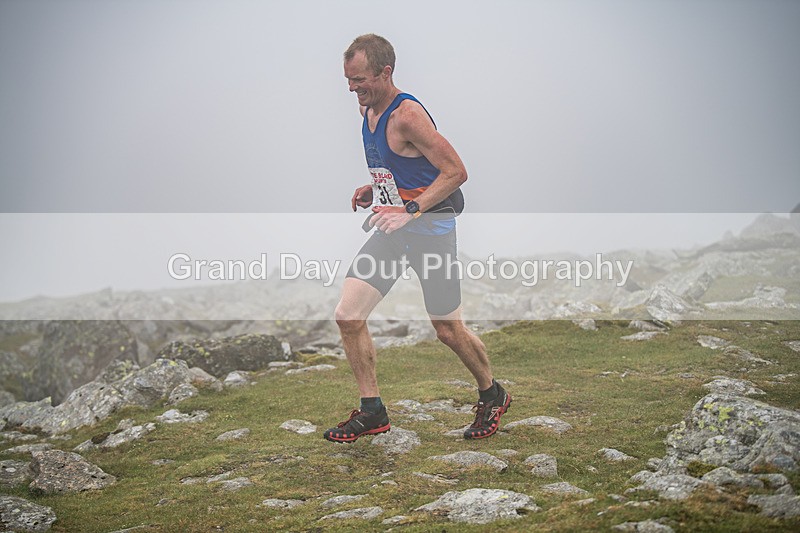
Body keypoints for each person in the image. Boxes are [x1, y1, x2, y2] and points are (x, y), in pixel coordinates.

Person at [323, 34, 511, 443]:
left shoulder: (406, 114)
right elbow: (408, 168)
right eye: (348, 80)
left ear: (385, 72)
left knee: (447, 329)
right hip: (393, 230)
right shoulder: (367, 109)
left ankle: (492, 394)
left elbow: (455, 172)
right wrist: (377, 190)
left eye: (359, 79)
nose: (352, 88)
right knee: (348, 316)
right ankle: (373, 412)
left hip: (431, 232)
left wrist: (410, 209)